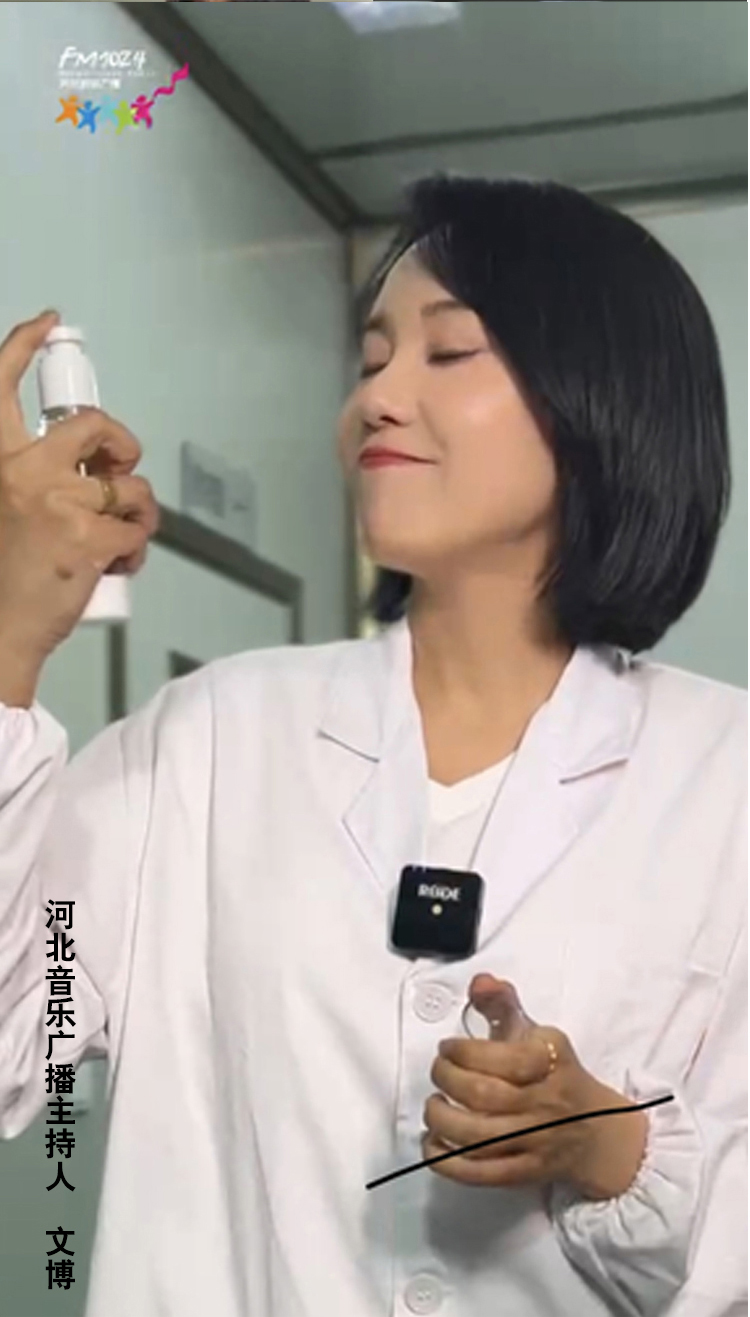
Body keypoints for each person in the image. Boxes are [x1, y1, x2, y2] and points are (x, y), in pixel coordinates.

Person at [0, 173, 745, 1317]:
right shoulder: (209, 741)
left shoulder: (725, 777)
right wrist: (9, 639)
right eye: (372, 361)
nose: (377, 402)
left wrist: (609, 1147)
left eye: (448, 353)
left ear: (601, 396)